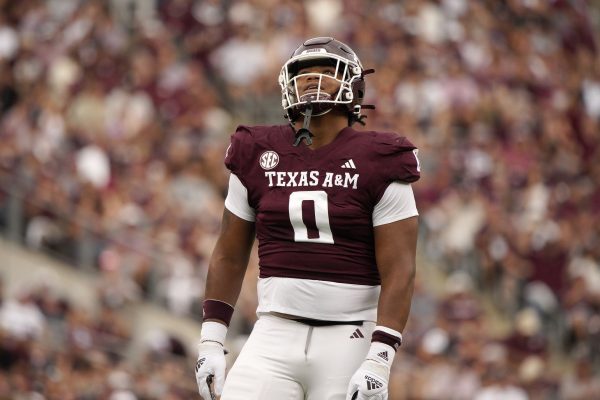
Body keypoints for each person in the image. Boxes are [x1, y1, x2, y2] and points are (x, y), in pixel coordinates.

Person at [195, 37, 421, 400]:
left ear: (354, 87)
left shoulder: (381, 157)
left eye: (326, 72)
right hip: (273, 331)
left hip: (349, 338)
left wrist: (381, 356)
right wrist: (211, 339)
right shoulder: (255, 150)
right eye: (303, 73)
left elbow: (401, 268)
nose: (312, 80)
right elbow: (229, 253)